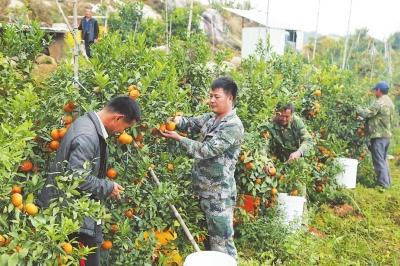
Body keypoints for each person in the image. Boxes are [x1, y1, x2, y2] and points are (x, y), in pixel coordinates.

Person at [38, 96, 141, 266]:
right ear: (118, 118)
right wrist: (108, 186)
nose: (123, 132)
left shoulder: (88, 124)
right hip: (71, 217)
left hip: (75, 212)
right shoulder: (87, 135)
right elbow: (77, 177)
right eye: (126, 127)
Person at [160, 77, 244, 260]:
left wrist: (179, 138)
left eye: (216, 96)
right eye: (210, 96)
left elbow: (208, 150)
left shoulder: (233, 126)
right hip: (202, 191)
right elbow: (190, 123)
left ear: (230, 98)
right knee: (208, 244)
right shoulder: (211, 118)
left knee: (222, 245)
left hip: (218, 195)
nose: (212, 100)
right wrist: (170, 118)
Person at [357, 82, 395, 189]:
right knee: (383, 160)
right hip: (386, 136)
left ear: (379, 90)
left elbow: (367, 113)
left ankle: (383, 185)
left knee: (378, 161)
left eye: (375, 90)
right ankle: (388, 183)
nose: (374, 92)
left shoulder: (380, 102)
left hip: (378, 137)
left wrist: (357, 109)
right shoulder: (390, 102)